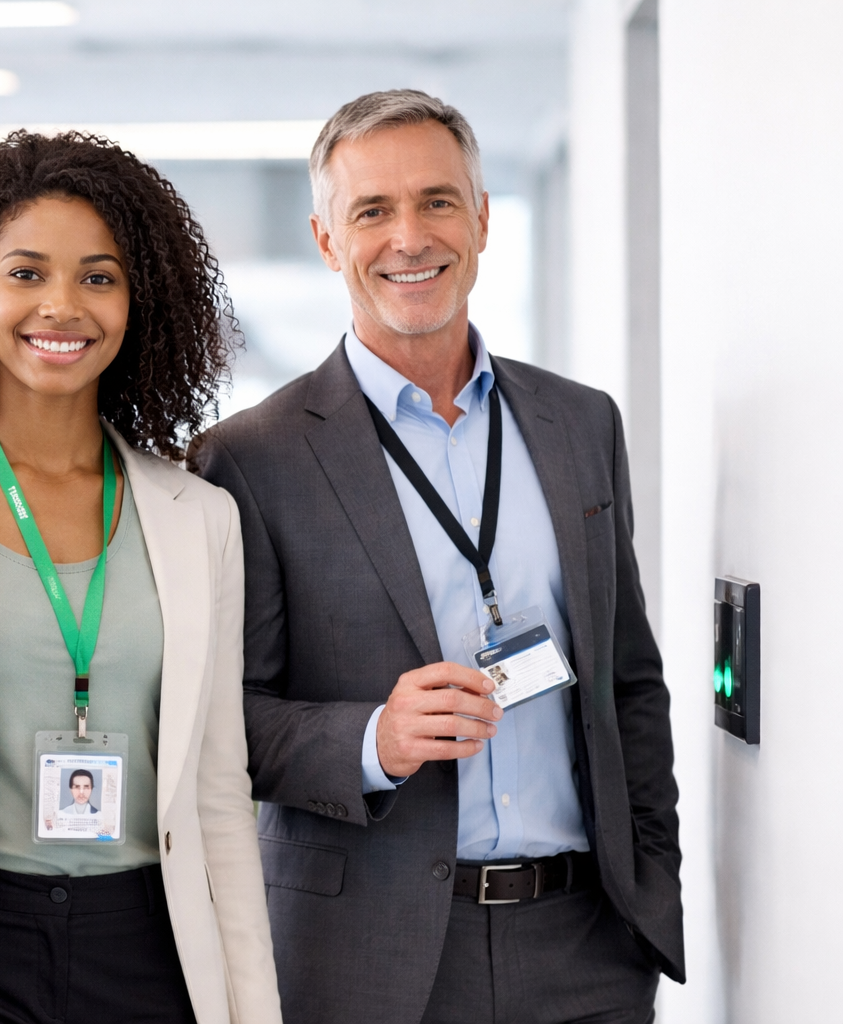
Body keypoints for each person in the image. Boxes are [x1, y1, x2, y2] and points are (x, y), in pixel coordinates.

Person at [191, 90, 682, 1024]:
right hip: (367, 960)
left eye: (438, 201)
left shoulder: (581, 423)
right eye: (372, 211)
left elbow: (629, 683)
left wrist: (649, 886)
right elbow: (219, 725)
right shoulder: (250, 457)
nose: (409, 236)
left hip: (586, 949)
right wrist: (372, 740)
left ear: (484, 219)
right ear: (327, 239)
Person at [0, 131, 280, 1024]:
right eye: (26, 273)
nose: (61, 306)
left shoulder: (199, 517)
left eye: (98, 277)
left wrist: (254, 1007)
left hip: (147, 946)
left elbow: (220, 795)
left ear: (140, 303)